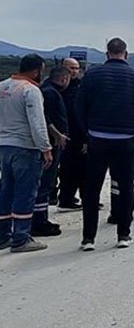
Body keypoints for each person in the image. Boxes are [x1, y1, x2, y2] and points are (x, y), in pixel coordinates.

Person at [75, 38, 134, 251]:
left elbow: (79, 106)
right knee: (125, 187)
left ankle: (88, 238)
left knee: (92, 188)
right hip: (126, 139)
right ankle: (123, 234)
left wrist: (88, 130)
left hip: (98, 137)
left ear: (106, 54)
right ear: (126, 54)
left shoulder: (92, 75)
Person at [0, 54, 53, 253]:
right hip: (25, 147)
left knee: (5, 191)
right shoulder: (30, 90)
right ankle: (21, 238)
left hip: (3, 147)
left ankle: (3, 235)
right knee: (25, 192)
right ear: (36, 70)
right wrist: (45, 148)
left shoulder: (2, 86)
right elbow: (37, 123)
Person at [31, 65, 72, 237]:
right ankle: (39, 221)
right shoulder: (50, 93)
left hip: (50, 143)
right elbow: (44, 118)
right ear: (64, 79)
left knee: (46, 182)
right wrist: (57, 135)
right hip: (49, 144)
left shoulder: (48, 90)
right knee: (45, 183)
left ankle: (40, 218)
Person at [56, 57, 86, 211]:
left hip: (79, 133)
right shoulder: (58, 87)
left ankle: (83, 198)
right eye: (71, 68)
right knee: (67, 168)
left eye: (76, 68)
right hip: (62, 134)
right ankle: (65, 198)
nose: (74, 71)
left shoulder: (81, 86)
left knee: (81, 168)